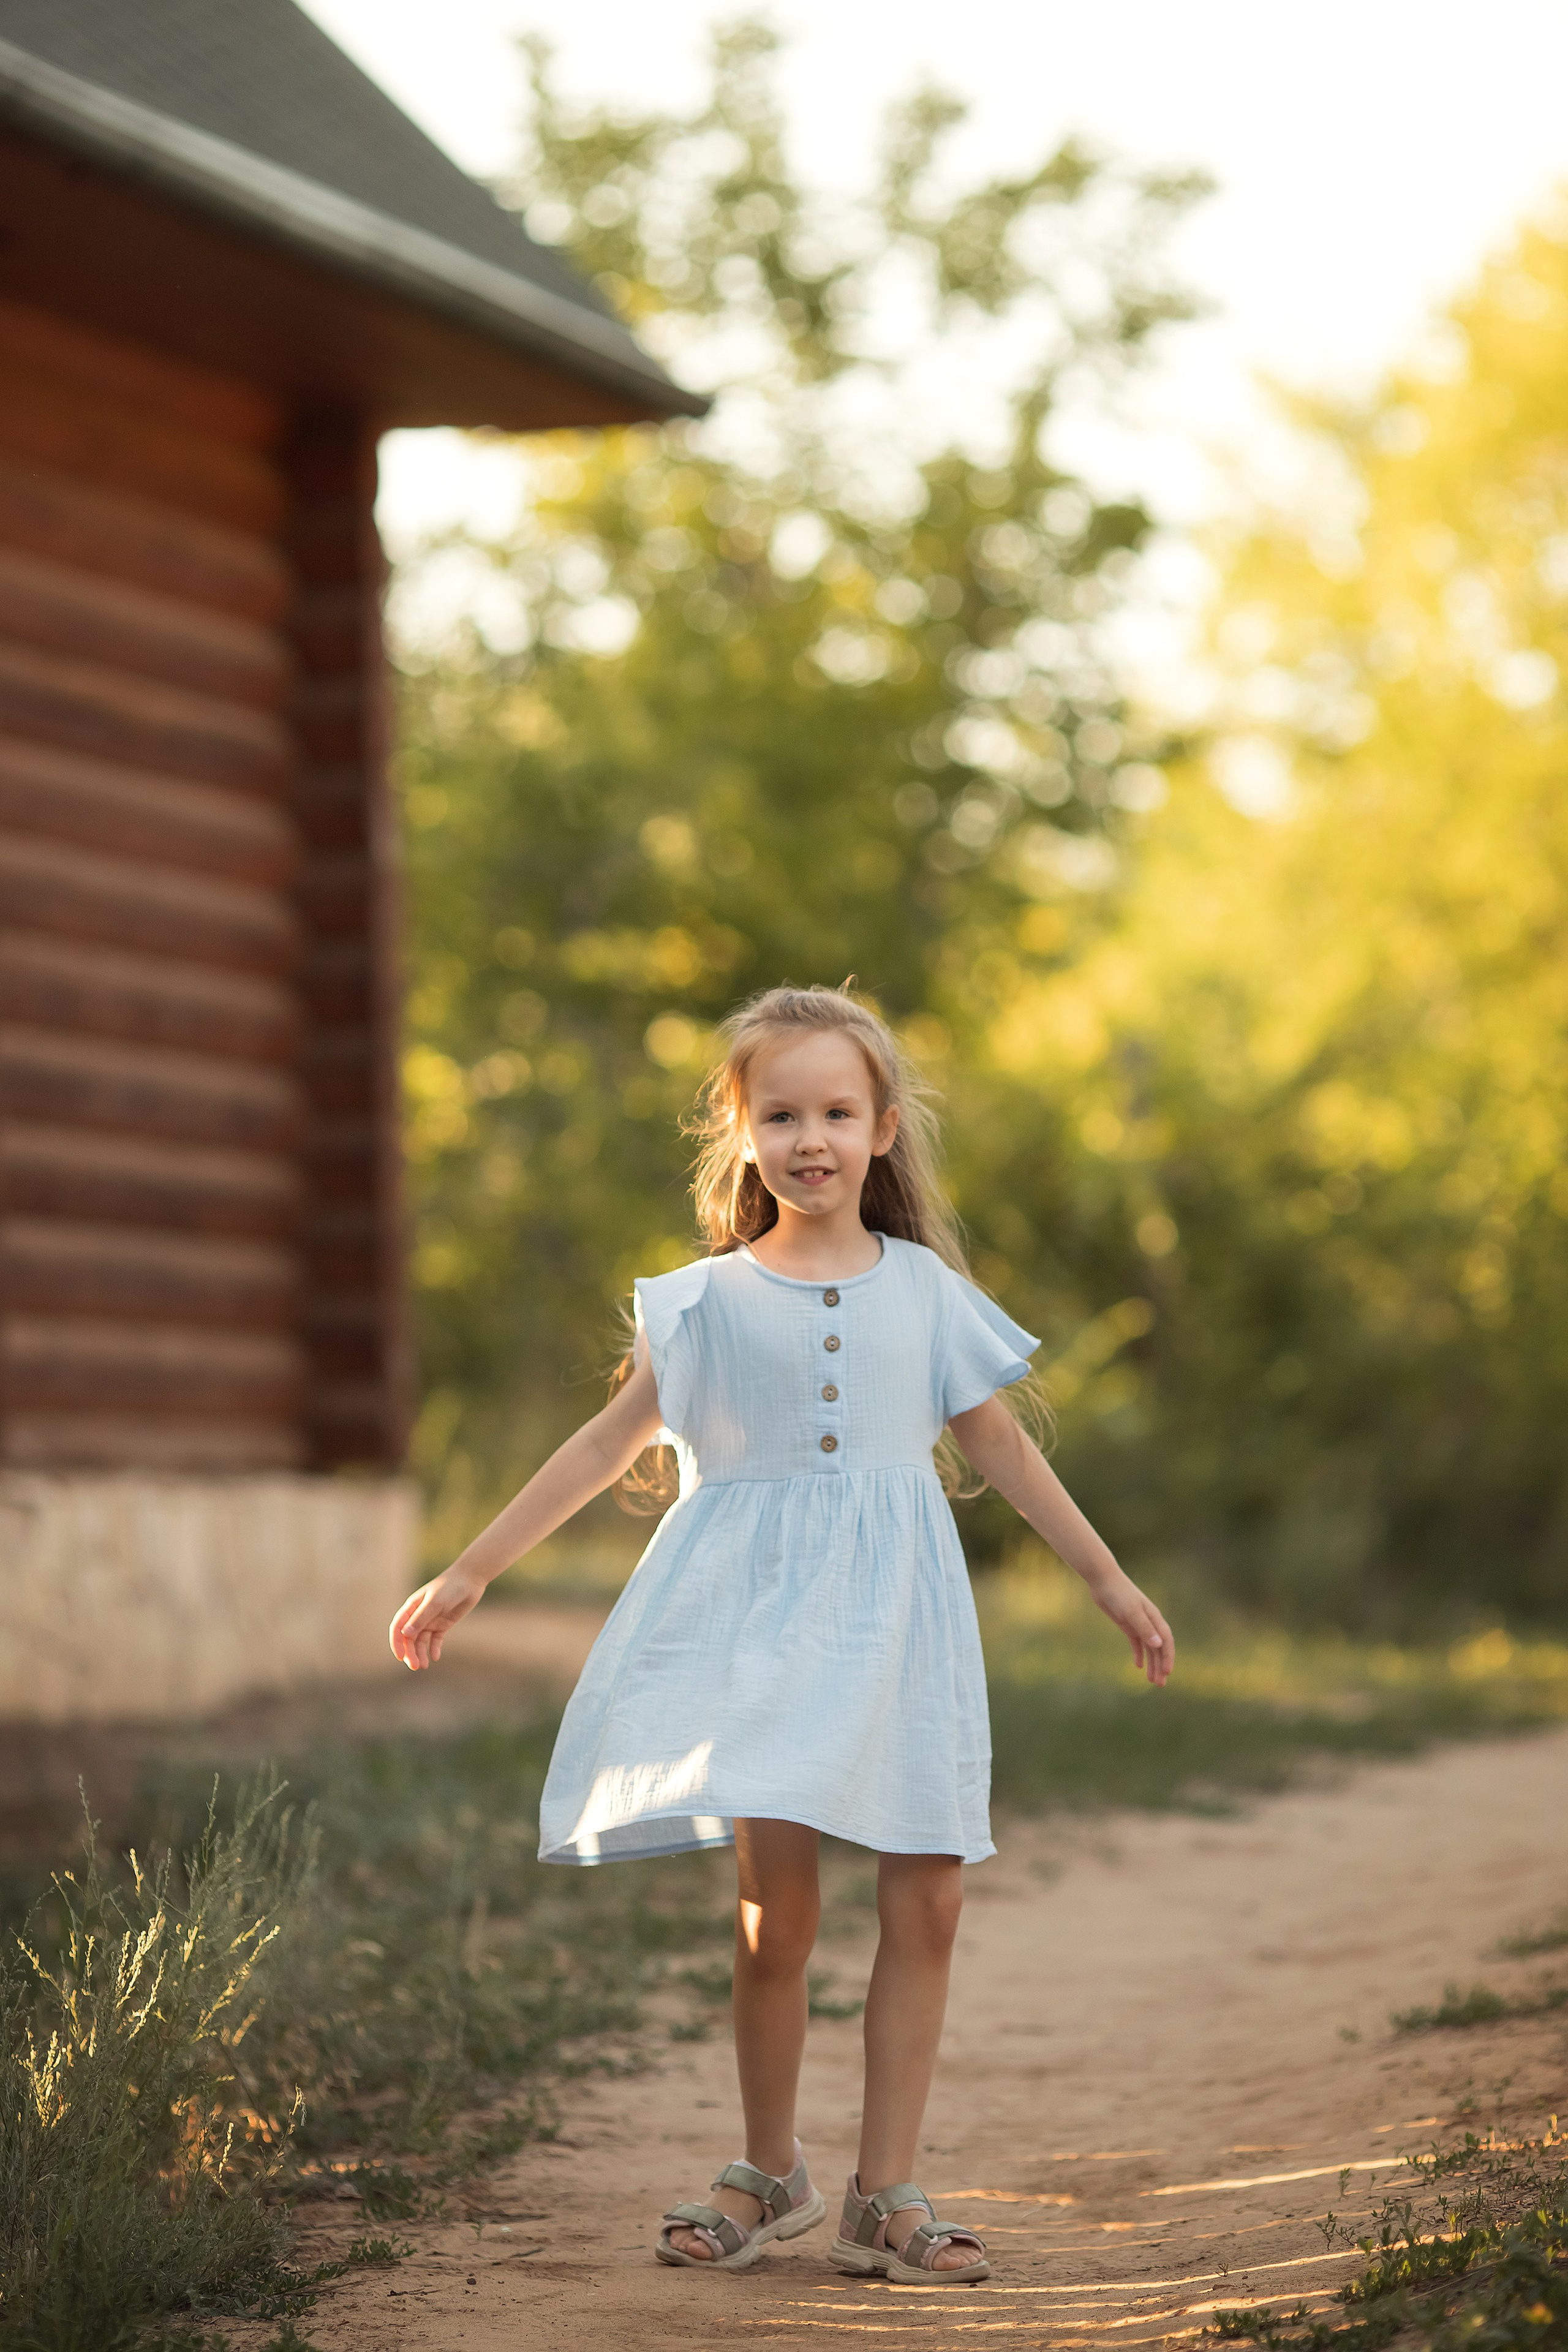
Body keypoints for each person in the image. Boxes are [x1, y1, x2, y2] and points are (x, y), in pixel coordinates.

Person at [390, 982, 1174, 2283]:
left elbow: (995, 1445)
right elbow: (605, 1441)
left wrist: (1105, 1579)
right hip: (757, 1631)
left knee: (928, 1896)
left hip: (902, 1620)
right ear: (740, 1130)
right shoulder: (699, 1303)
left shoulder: (923, 1289)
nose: (810, 1137)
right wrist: (472, 1569)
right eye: (781, 1112)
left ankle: (887, 2191)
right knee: (776, 1916)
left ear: (881, 1130)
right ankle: (768, 2172)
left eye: (836, 1111)